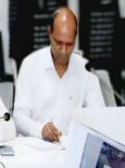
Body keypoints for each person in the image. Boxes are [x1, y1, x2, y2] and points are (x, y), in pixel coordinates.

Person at [14, 8, 103, 142]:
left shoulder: (84, 70)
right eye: (59, 43)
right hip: (36, 146)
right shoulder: (31, 65)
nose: (64, 51)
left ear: (75, 38)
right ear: (49, 33)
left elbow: (99, 119)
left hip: (70, 147)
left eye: (69, 44)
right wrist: (40, 130)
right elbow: (19, 117)